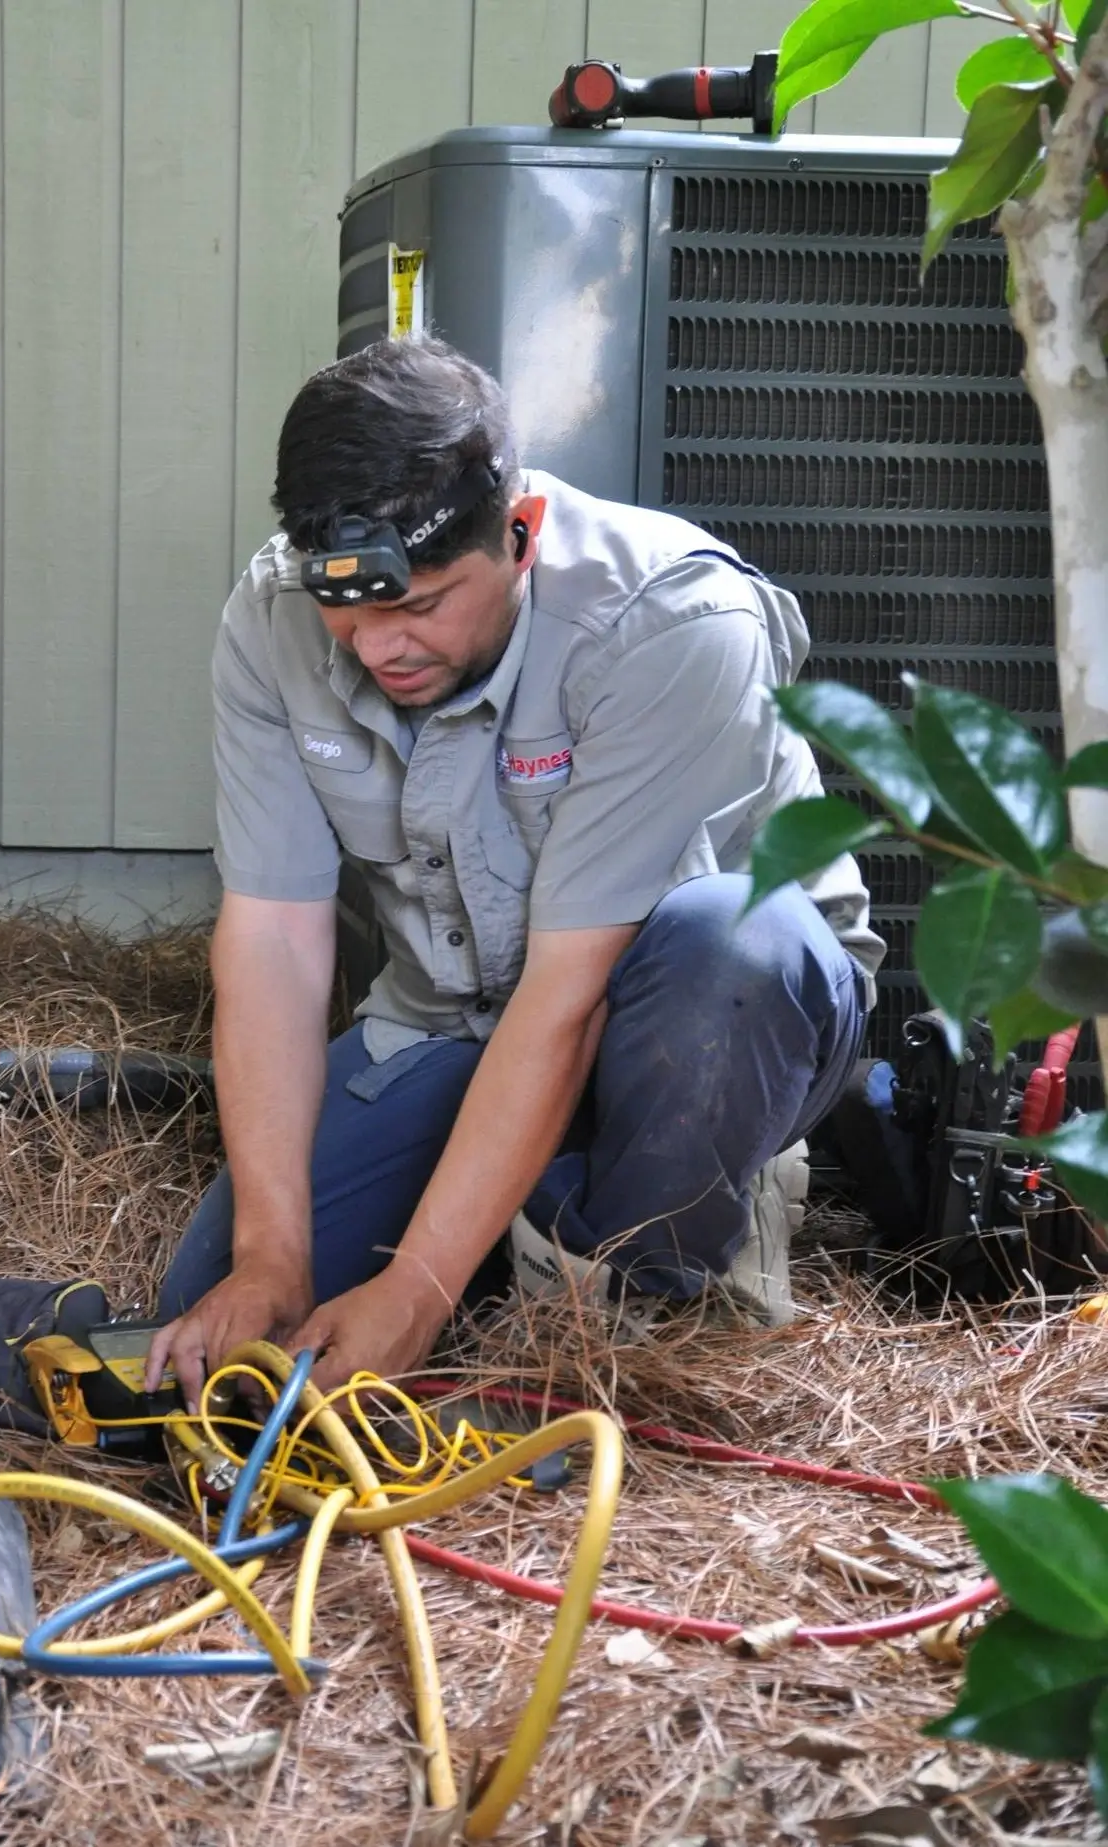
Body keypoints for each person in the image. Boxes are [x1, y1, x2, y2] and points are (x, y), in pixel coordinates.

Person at [145, 336, 884, 1407]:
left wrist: (418, 1288)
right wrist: (272, 1254)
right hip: (454, 1020)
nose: (377, 646)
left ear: (521, 536)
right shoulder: (270, 620)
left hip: (695, 1010)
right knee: (225, 1312)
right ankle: (534, 1208)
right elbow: (271, 943)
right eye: (345, 609)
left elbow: (571, 997)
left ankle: (642, 1272)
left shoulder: (670, 624)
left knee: (729, 948)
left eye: (424, 602)